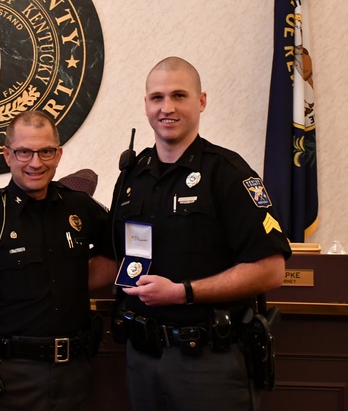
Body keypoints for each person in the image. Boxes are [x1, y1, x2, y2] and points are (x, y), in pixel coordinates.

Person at [111, 56, 291, 410]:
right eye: (157, 97)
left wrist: (183, 293)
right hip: (142, 358)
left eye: (179, 95)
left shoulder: (227, 173)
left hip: (208, 362)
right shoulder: (133, 176)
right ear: (145, 105)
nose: (167, 108)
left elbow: (272, 270)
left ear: (201, 101)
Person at [0, 111, 116, 411]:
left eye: (46, 151)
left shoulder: (79, 207)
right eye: (24, 152)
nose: (36, 163)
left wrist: (71, 279)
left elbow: (116, 256)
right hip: (13, 378)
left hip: (76, 373)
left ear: (58, 154)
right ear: (7, 155)